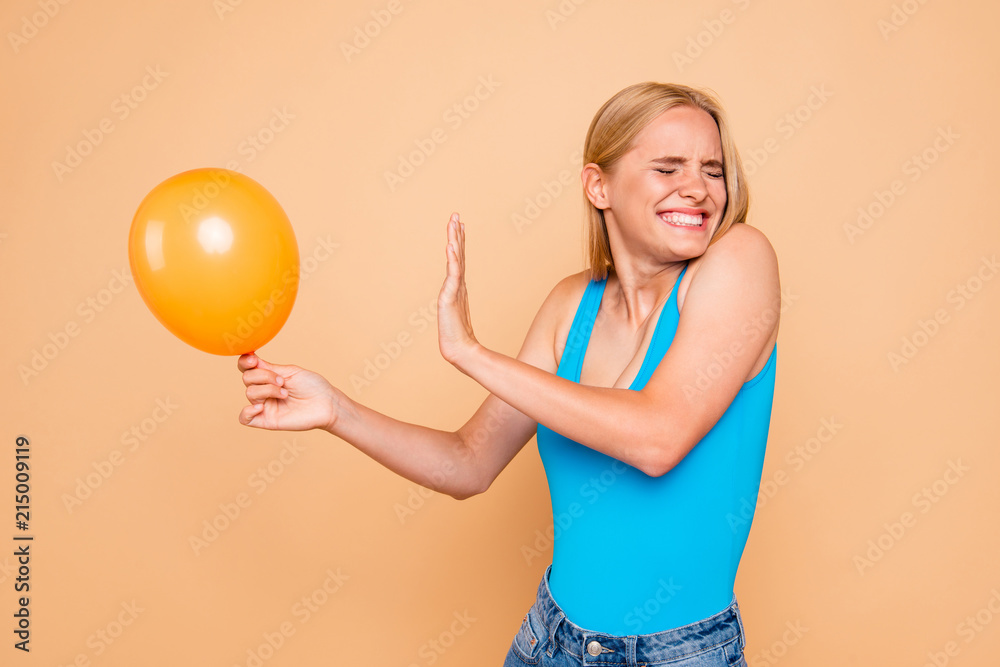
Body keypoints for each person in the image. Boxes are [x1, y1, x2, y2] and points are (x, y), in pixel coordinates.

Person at [237, 82, 779, 667]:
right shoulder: (571, 306)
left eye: (713, 170)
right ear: (599, 186)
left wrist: (472, 354)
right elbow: (469, 461)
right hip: (552, 642)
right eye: (668, 168)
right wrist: (338, 411)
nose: (697, 188)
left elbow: (657, 439)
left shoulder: (740, 262)